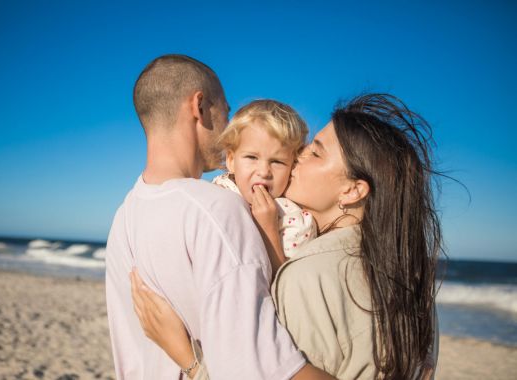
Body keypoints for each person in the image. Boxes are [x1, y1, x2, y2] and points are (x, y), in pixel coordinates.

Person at [131, 93, 441, 379]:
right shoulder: (411, 281)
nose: (298, 158)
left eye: (315, 153)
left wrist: (187, 359)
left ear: (351, 190)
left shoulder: (306, 275)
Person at [106, 54, 335, 379]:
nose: (229, 125)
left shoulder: (123, 216)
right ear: (199, 107)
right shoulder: (220, 210)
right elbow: (269, 371)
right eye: (226, 111)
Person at [210, 99, 316, 274]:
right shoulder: (219, 187)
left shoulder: (293, 219)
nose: (264, 171)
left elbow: (283, 283)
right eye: (252, 157)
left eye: (277, 162)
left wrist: (268, 228)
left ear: (293, 166)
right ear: (231, 161)